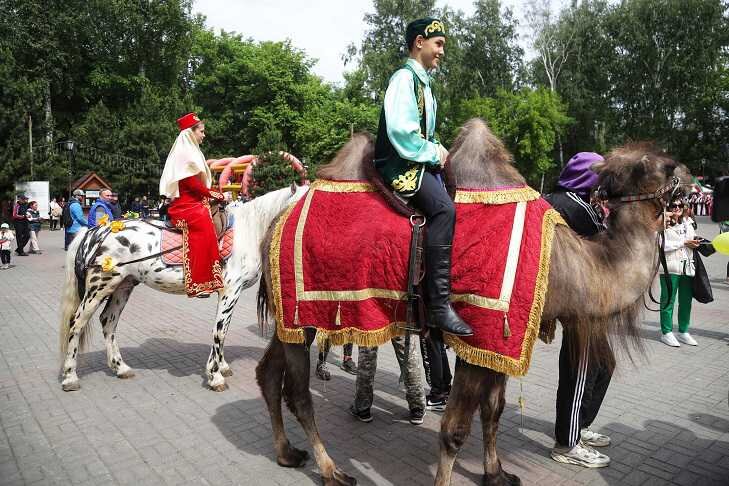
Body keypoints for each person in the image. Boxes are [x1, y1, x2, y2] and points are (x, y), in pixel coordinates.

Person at [373, 17, 471, 337]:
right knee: (445, 209)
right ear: (419, 43)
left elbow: (424, 132)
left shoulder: (424, 83)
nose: (442, 51)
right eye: (438, 44)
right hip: (400, 163)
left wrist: (440, 150)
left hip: (417, 159)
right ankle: (439, 306)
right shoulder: (404, 79)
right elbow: (402, 133)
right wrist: (433, 153)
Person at [544, 152, 612, 468]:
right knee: (580, 370)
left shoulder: (555, 198)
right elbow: (610, 249)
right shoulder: (577, 206)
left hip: (574, 300)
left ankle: (577, 427)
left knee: (602, 365)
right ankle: (568, 443)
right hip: (580, 304)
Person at [159, 112, 225, 297]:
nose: (204, 135)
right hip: (185, 206)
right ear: (191, 132)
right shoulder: (185, 153)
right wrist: (217, 195)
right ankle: (200, 281)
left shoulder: (192, 151)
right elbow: (193, 185)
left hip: (195, 202)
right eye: (201, 131)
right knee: (203, 224)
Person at [350, 337, 426, 426]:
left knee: (367, 356)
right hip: (401, 323)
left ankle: (362, 407)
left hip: (373, 323)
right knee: (407, 353)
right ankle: (417, 407)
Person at [659, 196, 700, 347]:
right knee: (668, 300)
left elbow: (690, 240)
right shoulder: (662, 224)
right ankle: (666, 332)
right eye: (673, 205)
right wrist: (683, 242)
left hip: (687, 267)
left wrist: (695, 243)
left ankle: (683, 331)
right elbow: (662, 246)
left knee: (685, 302)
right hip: (670, 268)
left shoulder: (688, 223)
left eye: (679, 205)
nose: (676, 208)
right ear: (667, 208)